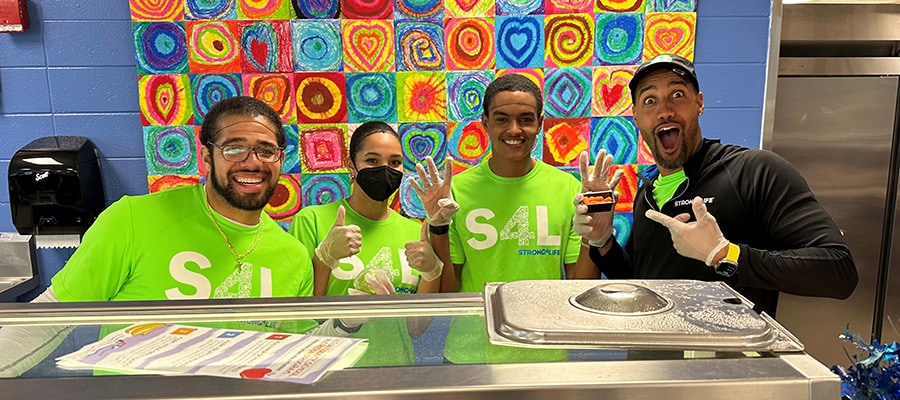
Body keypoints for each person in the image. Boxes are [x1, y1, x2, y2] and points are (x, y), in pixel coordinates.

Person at [0, 96, 356, 377]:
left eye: (266, 150)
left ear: (280, 160)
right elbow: (52, 317)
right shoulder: (133, 219)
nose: (252, 162)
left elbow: (292, 350)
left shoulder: (292, 254)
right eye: (234, 148)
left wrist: (347, 321)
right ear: (205, 156)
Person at [574, 54, 858, 317]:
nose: (664, 111)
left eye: (677, 95)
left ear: (699, 103)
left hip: (730, 366)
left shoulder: (754, 171)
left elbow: (838, 270)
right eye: (650, 100)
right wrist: (602, 242)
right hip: (650, 361)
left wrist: (724, 254)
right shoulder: (648, 192)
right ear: (635, 117)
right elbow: (638, 280)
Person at [423, 73, 598, 364]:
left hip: (545, 354)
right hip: (471, 354)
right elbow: (447, 292)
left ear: (540, 123)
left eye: (526, 119)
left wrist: (594, 234)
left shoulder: (566, 188)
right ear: (485, 123)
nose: (514, 129)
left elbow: (578, 289)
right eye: (502, 119)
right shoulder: (456, 191)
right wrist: (437, 228)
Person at [289, 120, 455, 366]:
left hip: (395, 371)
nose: (384, 169)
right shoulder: (312, 220)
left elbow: (415, 328)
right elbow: (301, 316)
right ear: (351, 167)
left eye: (394, 162)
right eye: (372, 161)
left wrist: (432, 273)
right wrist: (324, 257)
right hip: (329, 369)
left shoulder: (414, 231)